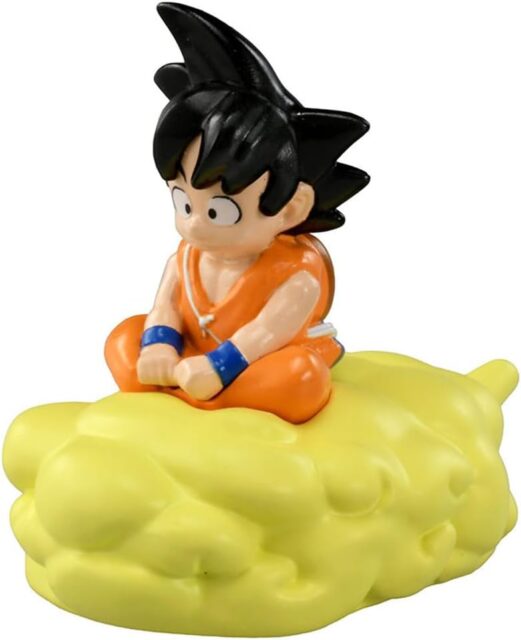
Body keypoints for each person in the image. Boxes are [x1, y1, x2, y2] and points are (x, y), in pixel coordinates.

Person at [104, 2, 370, 424]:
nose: (194, 223)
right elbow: (165, 307)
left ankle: (207, 402)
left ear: (291, 208)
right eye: (183, 203)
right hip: (191, 359)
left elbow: (266, 332)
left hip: (258, 361)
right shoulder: (186, 258)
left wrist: (218, 368)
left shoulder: (295, 276)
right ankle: (199, 397)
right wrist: (159, 345)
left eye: (220, 211)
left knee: (299, 377)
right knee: (123, 339)